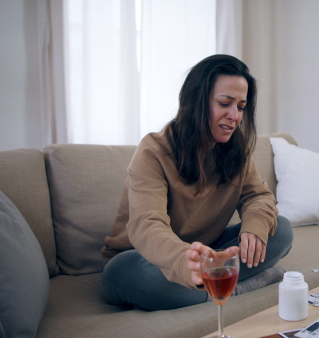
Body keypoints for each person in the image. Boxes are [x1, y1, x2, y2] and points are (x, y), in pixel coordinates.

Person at [101, 54, 294, 311]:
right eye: (225, 103)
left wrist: (253, 227)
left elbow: (257, 196)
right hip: (147, 258)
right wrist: (185, 262)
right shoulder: (154, 150)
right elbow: (146, 226)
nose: (234, 116)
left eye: (241, 106)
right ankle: (238, 286)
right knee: (128, 274)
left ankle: (208, 287)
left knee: (279, 229)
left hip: (207, 254)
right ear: (195, 102)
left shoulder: (236, 150)